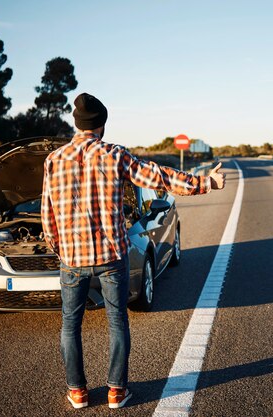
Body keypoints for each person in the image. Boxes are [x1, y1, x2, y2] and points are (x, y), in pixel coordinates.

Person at [41, 93, 225, 409]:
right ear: (102, 125)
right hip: (112, 257)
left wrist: (62, 250)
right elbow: (159, 177)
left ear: (76, 123)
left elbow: (47, 217)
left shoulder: (53, 160)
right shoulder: (115, 155)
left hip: (71, 260)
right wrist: (207, 182)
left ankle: (77, 392)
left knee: (70, 325)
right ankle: (116, 392)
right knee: (117, 321)